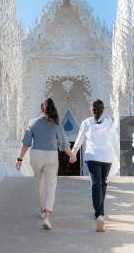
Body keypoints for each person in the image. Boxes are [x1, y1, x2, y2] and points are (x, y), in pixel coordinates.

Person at [15, 98, 75, 230]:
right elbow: (64, 144)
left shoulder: (33, 122)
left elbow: (26, 142)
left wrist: (20, 159)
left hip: (36, 155)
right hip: (51, 156)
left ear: (41, 108)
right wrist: (72, 155)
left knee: (39, 183)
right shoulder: (57, 124)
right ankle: (47, 217)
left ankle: (42, 209)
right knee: (51, 186)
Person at [70, 99, 117, 232]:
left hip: (92, 157)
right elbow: (115, 141)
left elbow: (79, 139)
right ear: (103, 110)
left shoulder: (87, 122)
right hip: (106, 158)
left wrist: (73, 154)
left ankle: (99, 215)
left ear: (92, 110)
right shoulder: (109, 123)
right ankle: (100, 214)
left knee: (96, 184)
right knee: (102, 184)